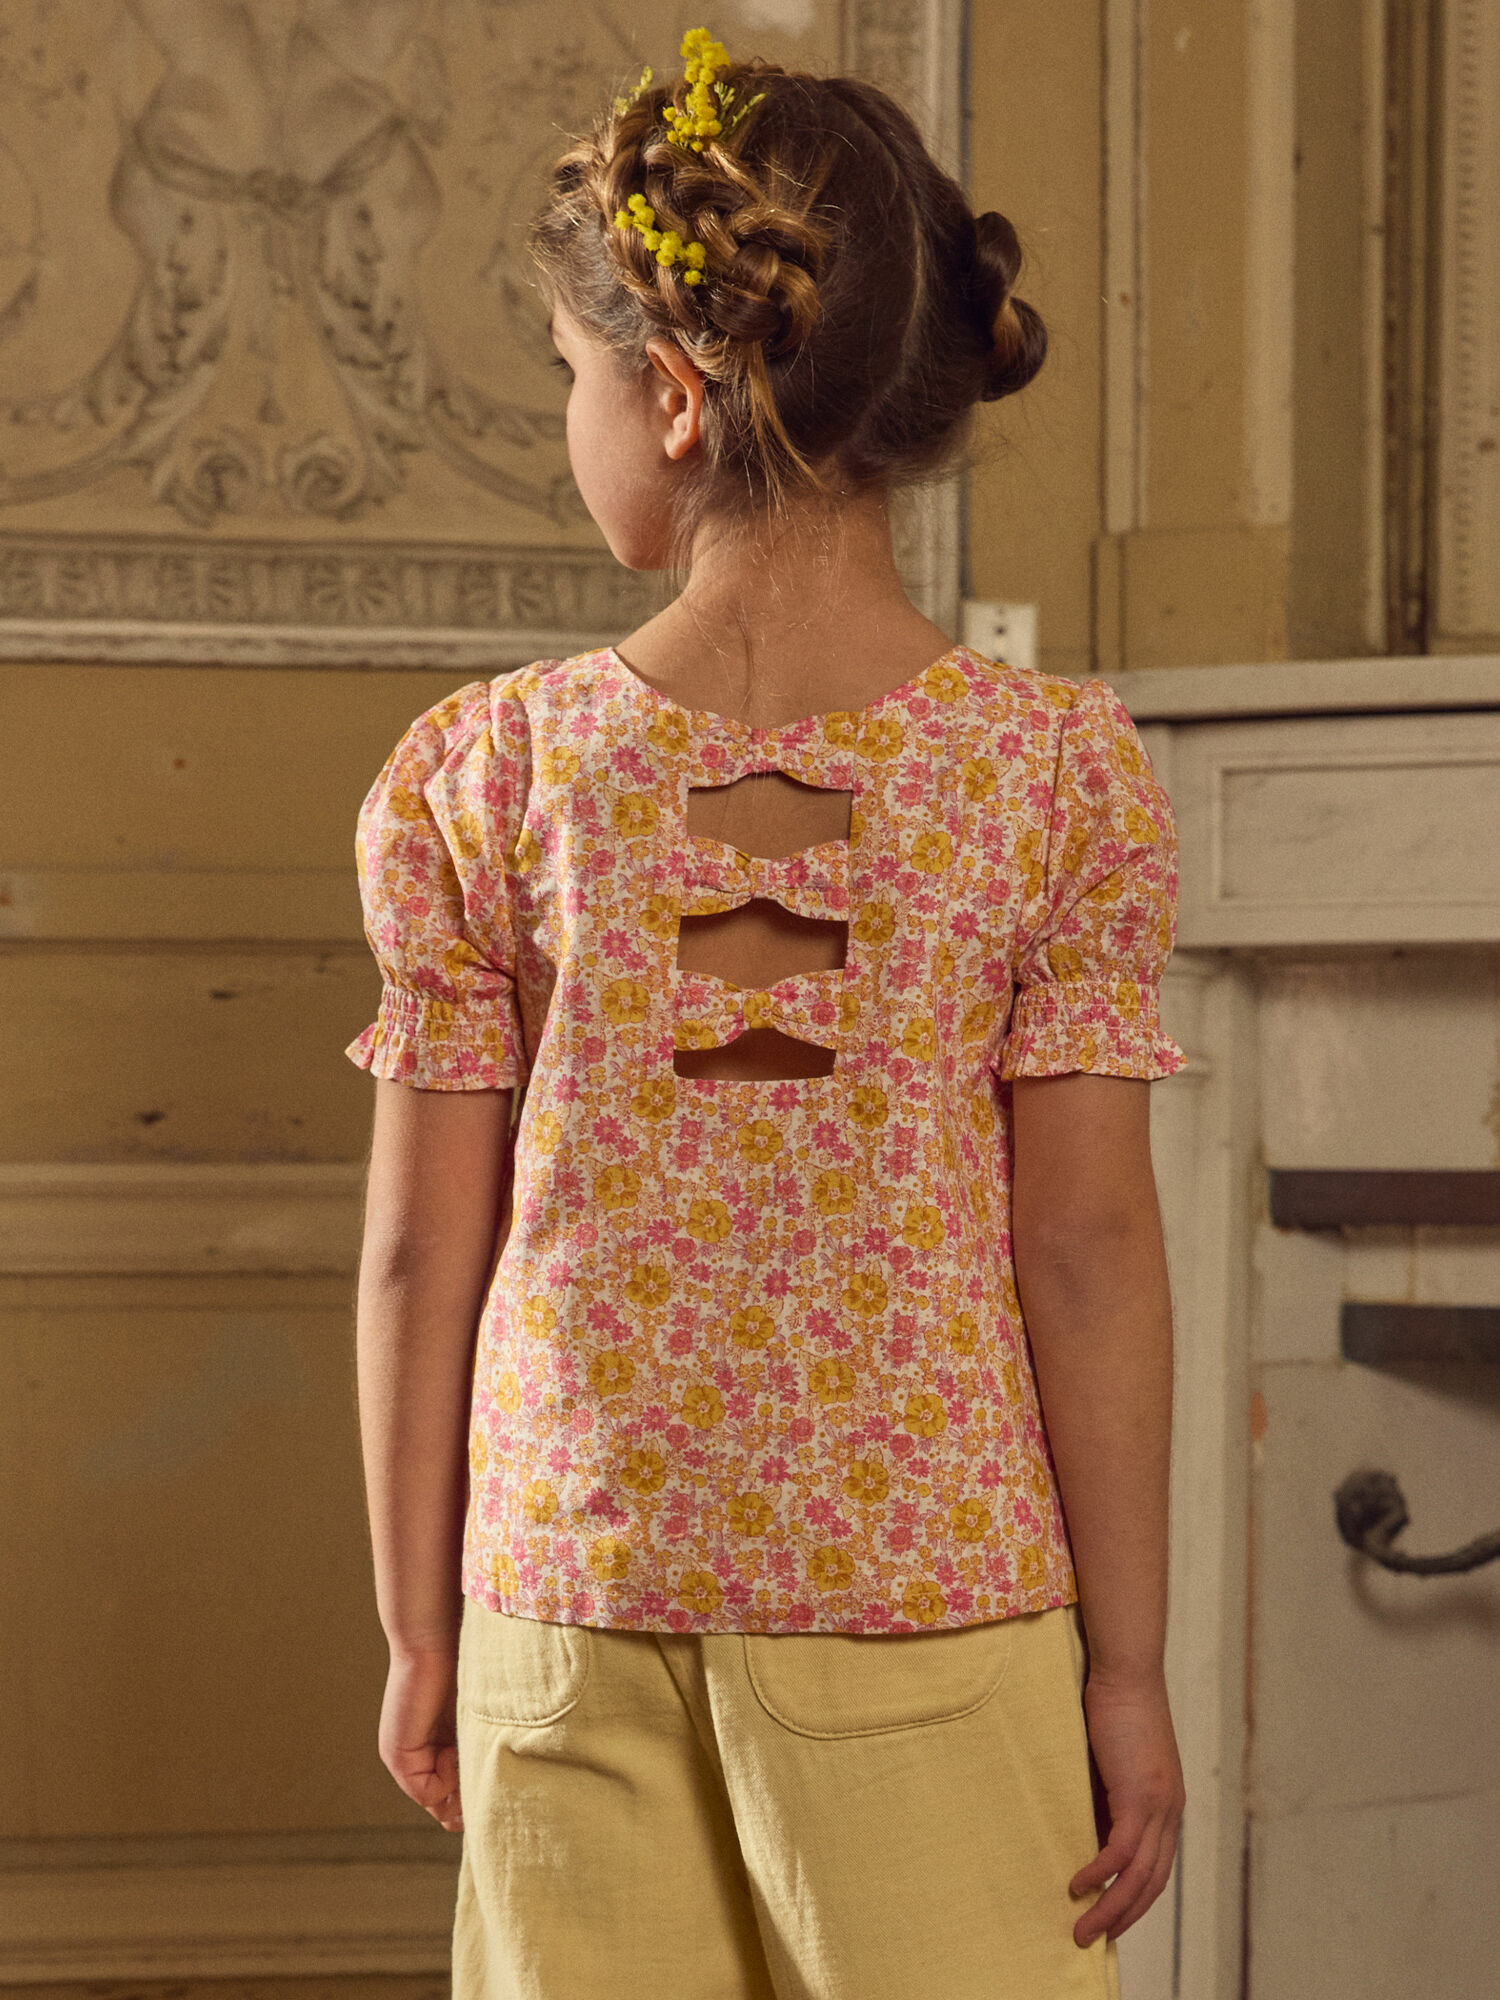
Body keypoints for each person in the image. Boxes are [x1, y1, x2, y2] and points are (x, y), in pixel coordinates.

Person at [347, 28, 1188, 1999]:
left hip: (571, 1587)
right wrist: (1129, 1666)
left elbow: (415, 1252)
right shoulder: (1052, 778)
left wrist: (419, 1621)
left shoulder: (486, 776)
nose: (573, 418)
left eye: (571, 375)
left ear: (670, 394)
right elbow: (1085, 1247)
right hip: (933, 1593)